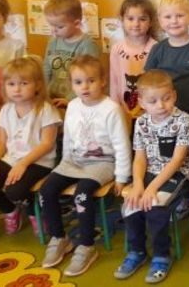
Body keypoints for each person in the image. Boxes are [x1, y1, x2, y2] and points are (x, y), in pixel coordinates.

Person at [39, 55, 131, 276]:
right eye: (78, 82)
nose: (85, 87)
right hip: (73, 161)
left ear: (103, 81)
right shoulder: (72, 106)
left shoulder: (111, 109)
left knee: (82, 195)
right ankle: (59, 238)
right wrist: (64, 164)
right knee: (46, 190)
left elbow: (122, 145)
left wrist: (121, 177)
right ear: (72, 85)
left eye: (91, 81)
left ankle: (87, 246)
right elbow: (68, 138)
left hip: (103, 162)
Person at [115, 70, 189, 283]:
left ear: (174, 95)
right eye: (153, 101)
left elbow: (177, 161)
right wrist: (138, 185)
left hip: (179, 172)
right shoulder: (141, 122)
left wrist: (151, 188)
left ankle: (162, 255)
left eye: (166, 98)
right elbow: (140, 159)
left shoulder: (184, 121)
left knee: (155, 205)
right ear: (141, 102)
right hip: (150, 171)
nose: (161, 105)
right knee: (131, 204)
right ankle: (137, 251)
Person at [0, 57, 60, 237]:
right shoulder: (6, 110)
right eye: (11, 84)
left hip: (39, 162)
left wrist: (23, 164)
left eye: (24, 83)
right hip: (12, 159)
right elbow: (1, 143)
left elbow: (47, 144)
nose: (17, 89)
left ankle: (34, 212)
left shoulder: (46, 110)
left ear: (37, 85)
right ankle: (10, 210)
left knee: (16, 191)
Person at [42, 0, 101, 109]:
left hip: (77, 101)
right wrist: (43, 93)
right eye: (51, 25)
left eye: (59, 27)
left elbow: (91, 77)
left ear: (76, 24)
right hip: (52, 98)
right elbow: (46, 69)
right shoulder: (53, 41)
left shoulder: (87, 45)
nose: (54, 30)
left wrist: (69, 99)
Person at [110, 0, 159, 120]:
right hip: (122, 110)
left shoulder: (155, 48)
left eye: (142, 19)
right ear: (122, 20)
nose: (136, 24)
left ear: (151, 22)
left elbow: (158, 82)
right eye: (130, 18)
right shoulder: (116, 49)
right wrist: (116, 107)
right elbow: (114, 82)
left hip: (149, 111)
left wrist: (150, 107)